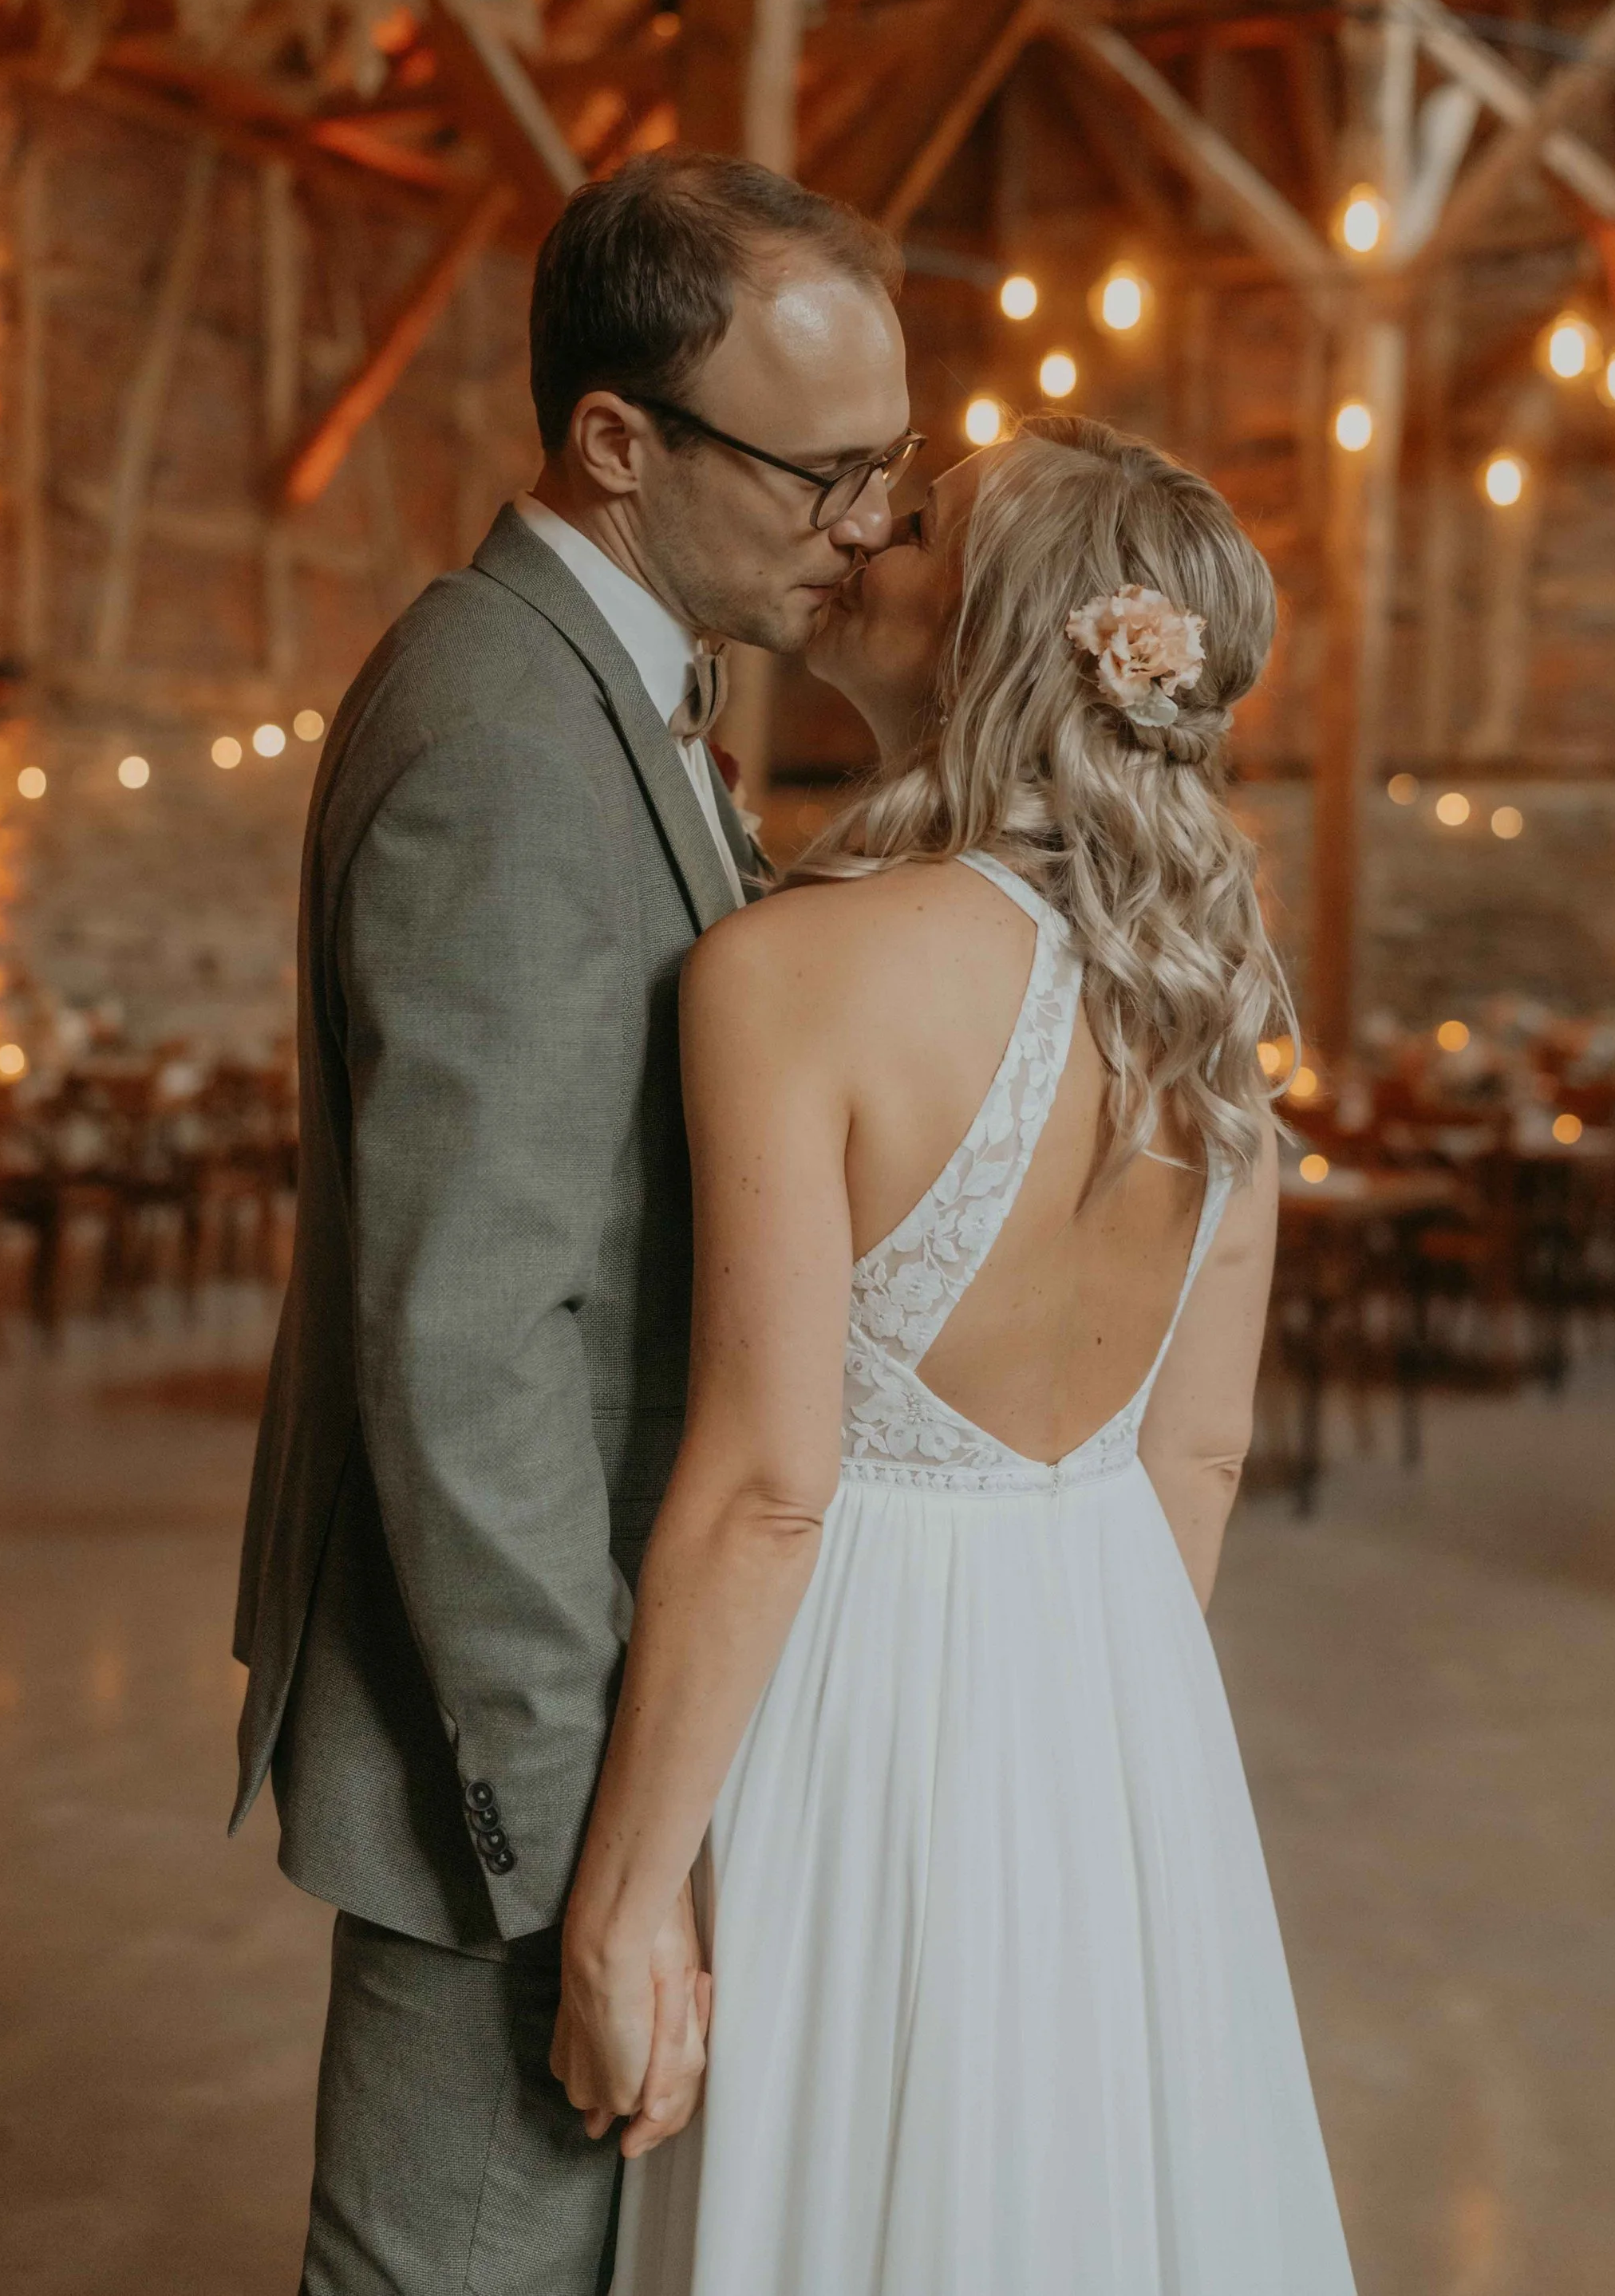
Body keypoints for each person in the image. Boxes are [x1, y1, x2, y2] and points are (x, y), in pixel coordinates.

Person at [554, 415, 1359, 2296]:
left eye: (912, 524)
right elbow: (1193, 1459)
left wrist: (622, 1902)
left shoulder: (790, 973)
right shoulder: (1205, 1019)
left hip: (849, 1694)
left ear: (984, 631)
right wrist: (1081, 1738)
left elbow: (768, 1492)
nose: (860, 534)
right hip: (1110, 1694)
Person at [230, 152, 913, 2296]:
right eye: (820, 474)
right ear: (614, 440)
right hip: (516, 1732)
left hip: (612, 1700)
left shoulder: (619, 688)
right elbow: (467, 1335)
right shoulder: (508, 733)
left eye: (890, 466)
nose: (869, 526)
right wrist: (573, 1845)